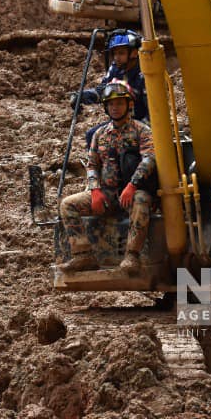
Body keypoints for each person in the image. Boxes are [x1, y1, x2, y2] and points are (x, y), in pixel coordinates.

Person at [60, 80, 156, 275]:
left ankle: (132, 255)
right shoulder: (100, 134)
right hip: (107, 193)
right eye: (111, 104)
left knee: (141, 200)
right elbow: (92, 165)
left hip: (133, 192)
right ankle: (83, 254)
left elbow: (149, 160)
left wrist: (132, 185)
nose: (115, 107)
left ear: (128, 105)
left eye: (119, 103)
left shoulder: (141, 130)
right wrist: (95, 190)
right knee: (68, 204)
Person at [71, 30, 148, 146]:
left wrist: (137, 131)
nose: (116, 58)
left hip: (142, 124)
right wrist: (81, 96)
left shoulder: (145, 74)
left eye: (121, 53)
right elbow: (102, 91)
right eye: (115, 54)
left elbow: (153, 113)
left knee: (125, 148)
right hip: (121, 122)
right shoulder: (115, 70)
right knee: (92, 135)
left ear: (134, 53)